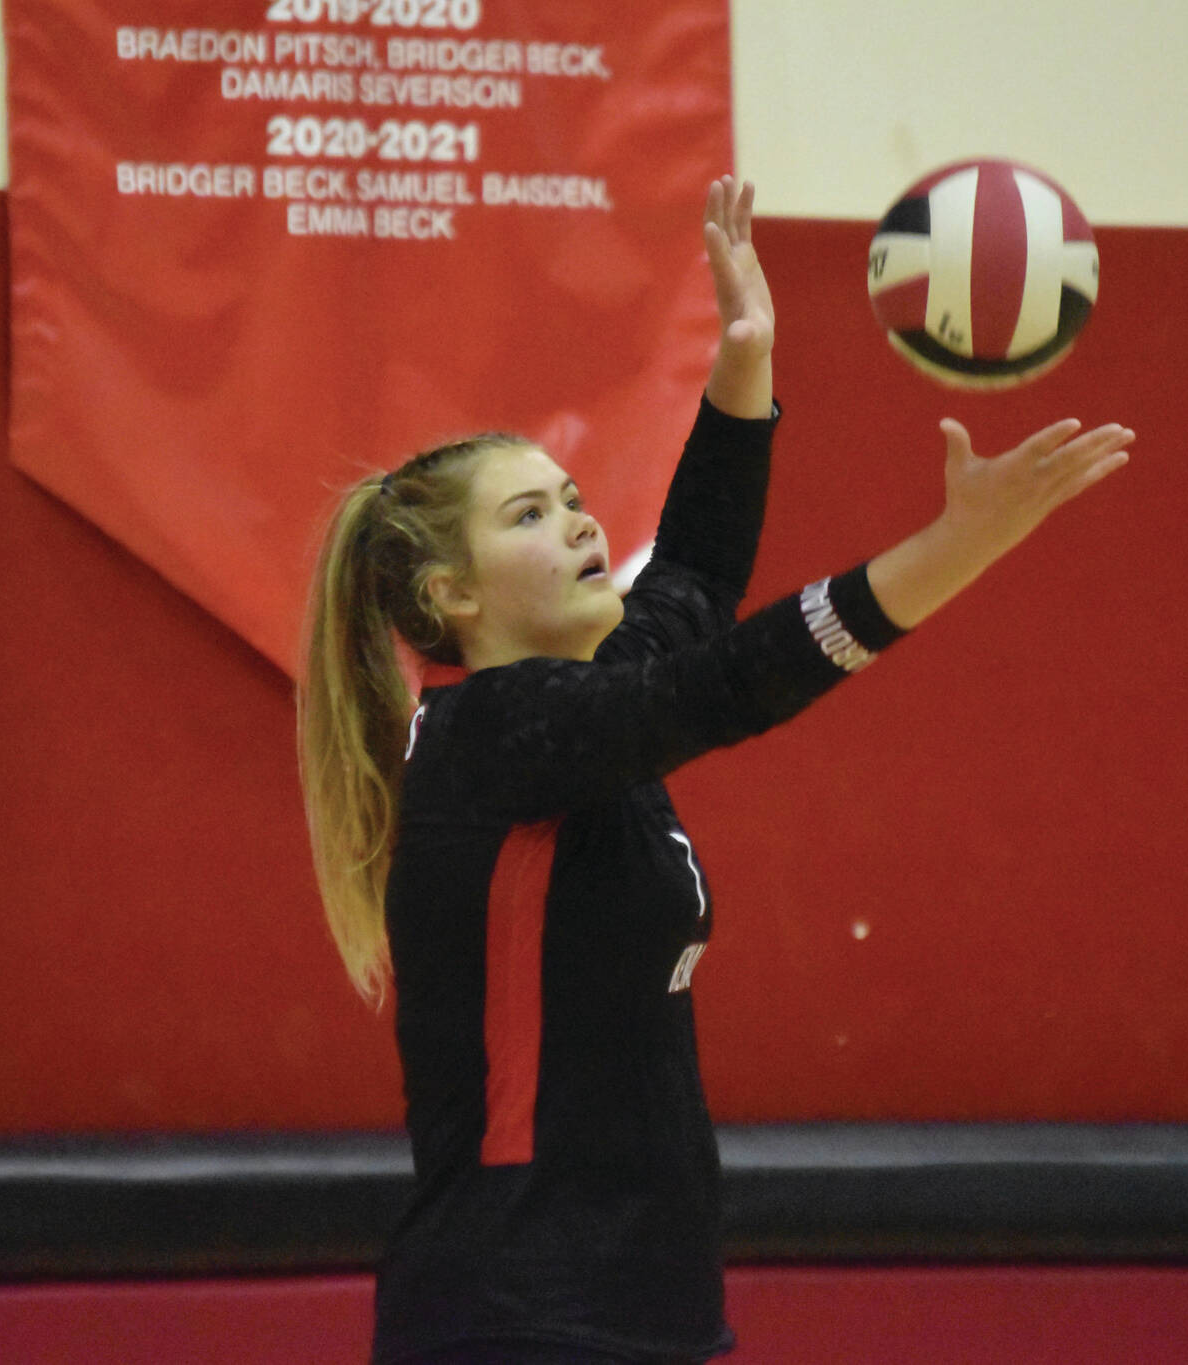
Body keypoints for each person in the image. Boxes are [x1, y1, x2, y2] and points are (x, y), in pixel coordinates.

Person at [299, 176, 1135, 1364]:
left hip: (638, 1305)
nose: (582, 524)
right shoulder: (493, 735)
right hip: (515, 1316)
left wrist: (744, 367)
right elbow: (728, 680)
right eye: (530, 516)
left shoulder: (575, 728)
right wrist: (955, 547)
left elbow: (689, 584)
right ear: (452, 595)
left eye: (576, 499)